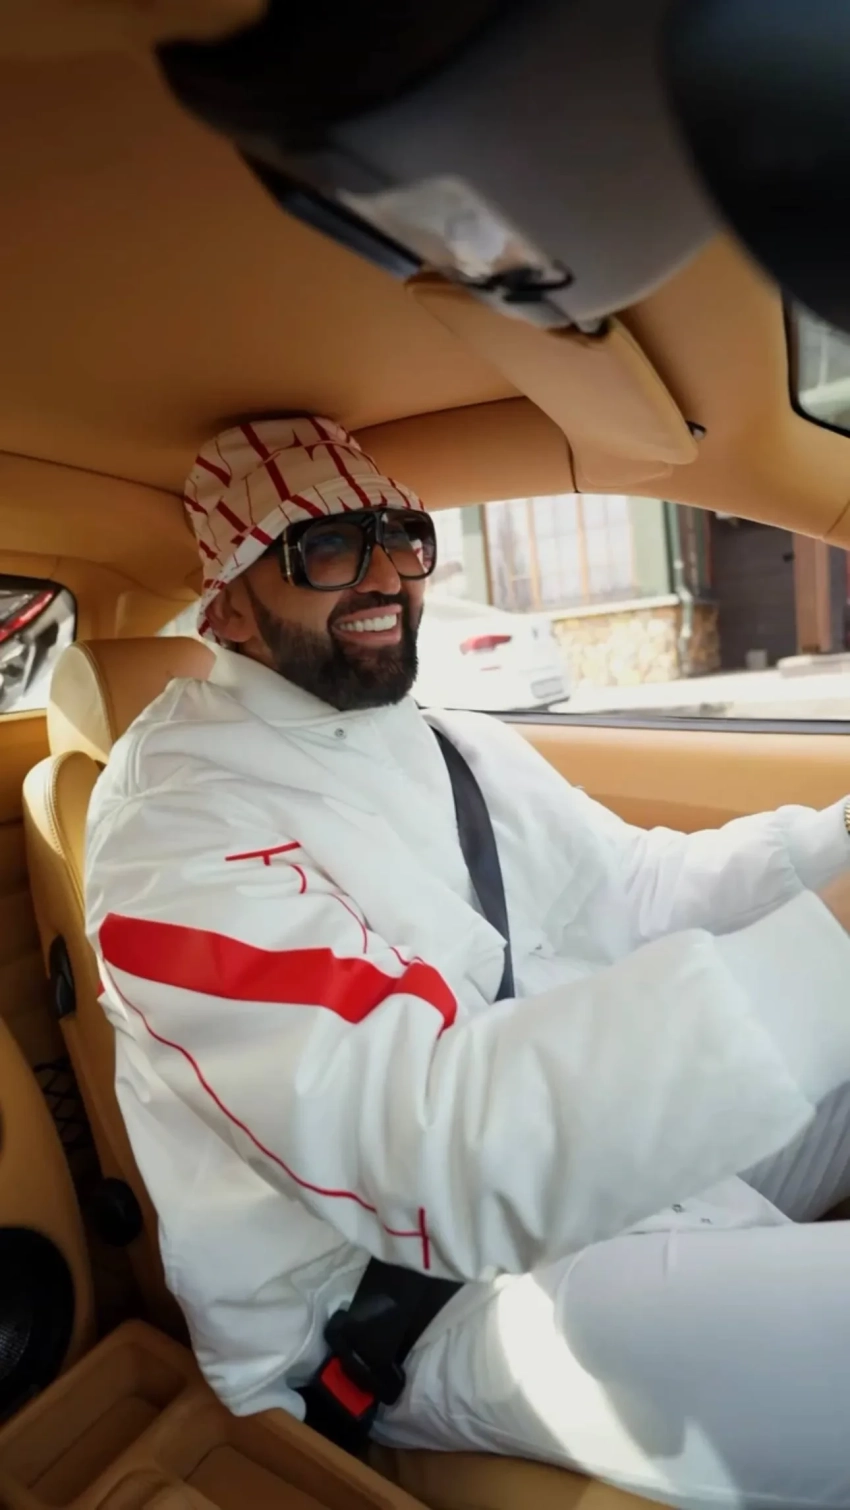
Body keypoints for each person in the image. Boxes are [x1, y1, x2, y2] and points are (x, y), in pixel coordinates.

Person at [86, 415, 850, 1510]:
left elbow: (637, 886)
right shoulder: (171, 835)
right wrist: (830, 942)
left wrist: (838, 845)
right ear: (229, 608)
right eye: (324, 546)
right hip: (410, 1300)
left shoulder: (454, 740)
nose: (383, 576)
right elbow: (430, 1148)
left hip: (585, 1157)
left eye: (400, 536)